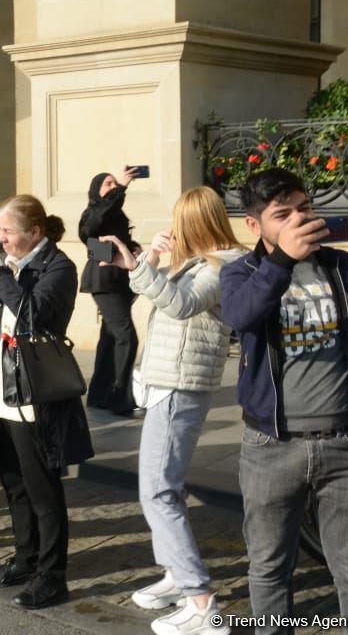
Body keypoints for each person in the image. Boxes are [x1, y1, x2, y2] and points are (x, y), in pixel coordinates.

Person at [221, 168, 348, 633]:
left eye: (303, 208)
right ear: (254, 225)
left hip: (346, 444)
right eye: (281, 214)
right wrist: (281, 261)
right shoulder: (239, 274)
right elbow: (243, 316)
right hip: (271, 447)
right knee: (268, 568)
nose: (298, 219)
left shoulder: (347, 268)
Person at [97, 187, 242, 635]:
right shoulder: (198, 261)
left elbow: (180, 305)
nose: (173, 228)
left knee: (159, 491)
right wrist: (154, 265)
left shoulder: (224, 264)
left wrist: (142, 269)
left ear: (196, 223)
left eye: (180, 221)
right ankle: (178, 575)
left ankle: (201, 601)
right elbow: (159, 303)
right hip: (166, 383)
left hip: (182, 386)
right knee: (160, 489)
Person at [0, 194, 91, 610]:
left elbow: (33, 314)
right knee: (14, 484)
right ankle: (25, 557)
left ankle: (53, 576)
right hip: (1, 389)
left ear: (34, 232)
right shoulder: (3, 264)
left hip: (36, 396)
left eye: (7, 232)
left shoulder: (58, 266)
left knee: (43, 491)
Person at [80, 168, 142, 415]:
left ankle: (99, 395)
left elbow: (110, 244)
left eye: (115, 183)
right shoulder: (93, 212)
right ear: (97, 190)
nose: (113, 186)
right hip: (104, 282)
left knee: (110, 338)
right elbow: (90, 243)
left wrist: (132, 248)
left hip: (121, 282)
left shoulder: (114, 213)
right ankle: (120, 397)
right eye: (108, 184)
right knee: (127, 336)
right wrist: (121, 189)